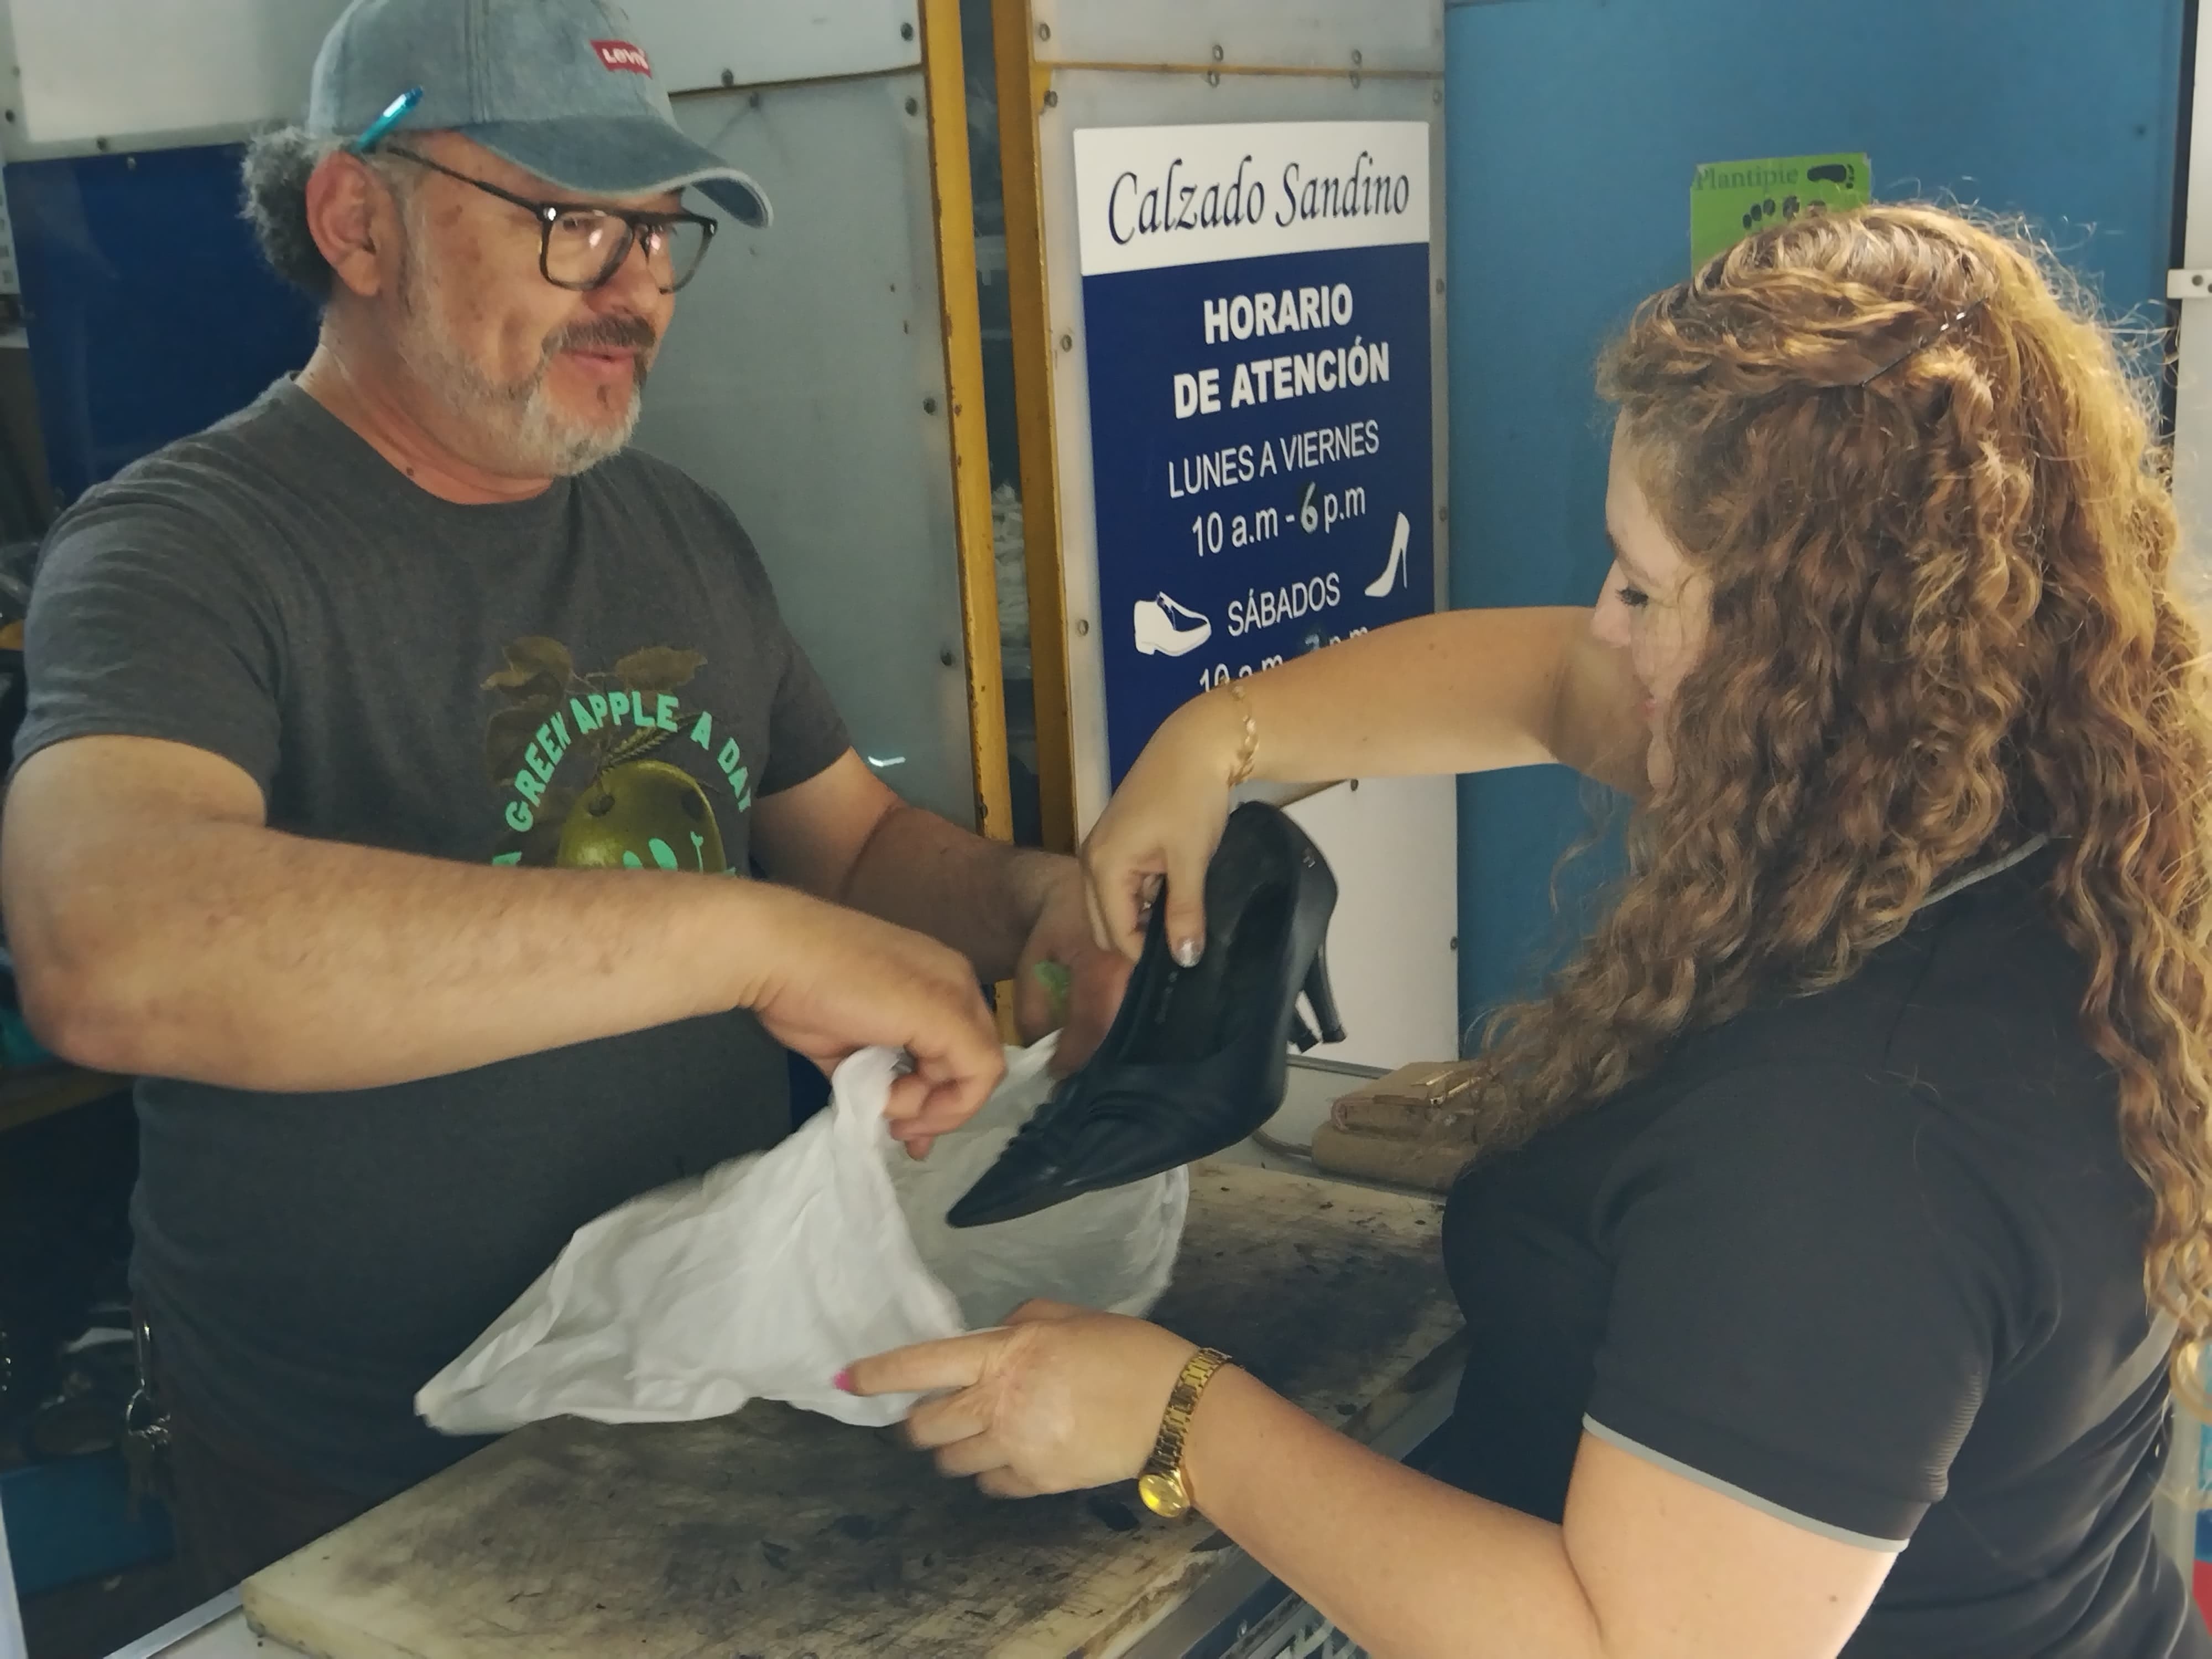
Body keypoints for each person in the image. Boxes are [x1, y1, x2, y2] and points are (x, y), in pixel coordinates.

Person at [850, 204, 2212, 1657]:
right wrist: (1212, 741)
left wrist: (1176, 1412)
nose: (1604, 626)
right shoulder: (1995, 782)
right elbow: (1549, 689)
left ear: (1804, 650)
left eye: (1644, 587)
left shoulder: (1852, 1140)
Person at [0, 0, 1121, 1597]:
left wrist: (1040, 910)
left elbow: (857, 846)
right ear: (355, 220)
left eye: (664, 236)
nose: (640, 292)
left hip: (702, 1392)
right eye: (571, 222)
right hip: (372, 1483)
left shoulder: (676, 532)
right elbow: (111, 948)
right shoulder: (185, 550)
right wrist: (746, 942)